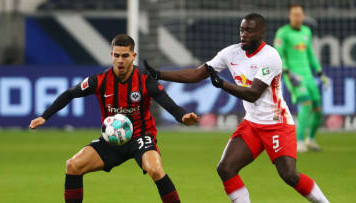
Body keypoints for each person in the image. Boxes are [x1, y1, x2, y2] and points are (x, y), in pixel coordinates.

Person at [144, 13, 329, 203]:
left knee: (289, 175)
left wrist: (223, 84)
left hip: (276, 123)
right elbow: (196, 74)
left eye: (249, 30)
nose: (244, 34)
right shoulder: (230, 53)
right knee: (226, 169)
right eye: (242, 30)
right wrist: (159, 75)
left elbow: (253, 93)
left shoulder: (271, 56)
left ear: (261, 33)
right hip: (253, 124)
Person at [29, 34, 199, 203]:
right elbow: (69, 94)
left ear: (133, 56)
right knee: (73, 166)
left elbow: (168, 103)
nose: (120, 60)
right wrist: (45, 117)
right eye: (116, 55)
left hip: (140, 137)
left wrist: (183, 117)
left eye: (125, 55)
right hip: (112, 139)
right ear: (111, 55)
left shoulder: (145, 80)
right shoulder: (99, 81)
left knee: (155, 169)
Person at [274, 4, 330, 152]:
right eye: (294, 14)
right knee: (306, 104)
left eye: (299, 14)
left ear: (303, 16)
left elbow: (310, 55)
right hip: (293, 75)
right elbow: (278, 54)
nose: (297, 17)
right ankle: (298, 142)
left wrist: (320, 73)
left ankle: (310, 139)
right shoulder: (283, 33)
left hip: (308, 76)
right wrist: (287, 72)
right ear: (289, 16)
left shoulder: (306, 31)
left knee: (317, 108)